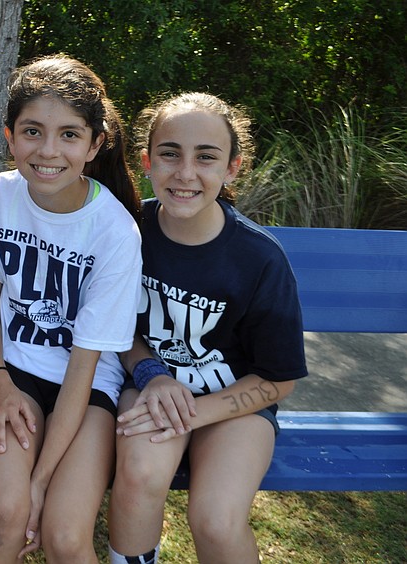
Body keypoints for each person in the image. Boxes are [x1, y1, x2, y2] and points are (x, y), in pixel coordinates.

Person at [108, 92, 308, 564]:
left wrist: (194, 414)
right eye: (170, 153)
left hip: (236, 405)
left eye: (206, 157)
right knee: (138, 477)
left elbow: (279, 379)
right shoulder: (126, 233)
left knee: (216, 518)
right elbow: (114, 327)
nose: (185, 173)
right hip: (153, 389)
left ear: (233, 168)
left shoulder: (259, 259)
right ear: (146, 161)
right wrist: (150, 374)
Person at [0, 54, 142, 562]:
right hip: (15, 375)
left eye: (69, 135)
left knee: (66, 535)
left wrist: (40, 482)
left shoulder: (114, 230)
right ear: (9, 136)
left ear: (94, 144)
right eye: (32, 131)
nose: (48, 151)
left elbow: (86, 365)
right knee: (3, 515)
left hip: (86, 390)